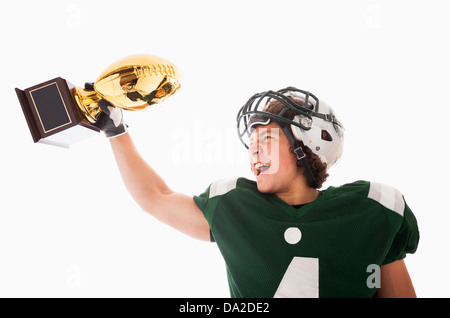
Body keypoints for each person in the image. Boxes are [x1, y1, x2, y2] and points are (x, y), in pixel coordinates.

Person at [95, 86, 419, 298]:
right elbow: (156, 197)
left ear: (308, 146)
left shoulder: (372, 211)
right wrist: (116, 131)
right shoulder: (236, 205)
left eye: (265, 141)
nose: (253, 154)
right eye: (250, 145)